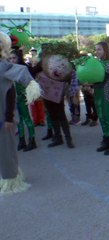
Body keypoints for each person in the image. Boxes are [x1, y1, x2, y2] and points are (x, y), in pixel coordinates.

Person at [0, 32, 40, 194]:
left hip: (4, 117)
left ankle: (10, 180)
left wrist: (9, 117)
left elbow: (11, 92)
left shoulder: (3, 66)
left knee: (6, 150)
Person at [8, 49, 37, 151]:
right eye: (10, 58)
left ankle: (32, 140)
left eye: (14, 58)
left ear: (18, 58)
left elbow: (30, 82)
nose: (12, 60)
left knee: (27, 119)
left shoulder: (23, 68)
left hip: (22, 98)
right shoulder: (7, 69)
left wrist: (30, 95)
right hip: (13, 99)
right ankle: (22, 141)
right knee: (18, 120)